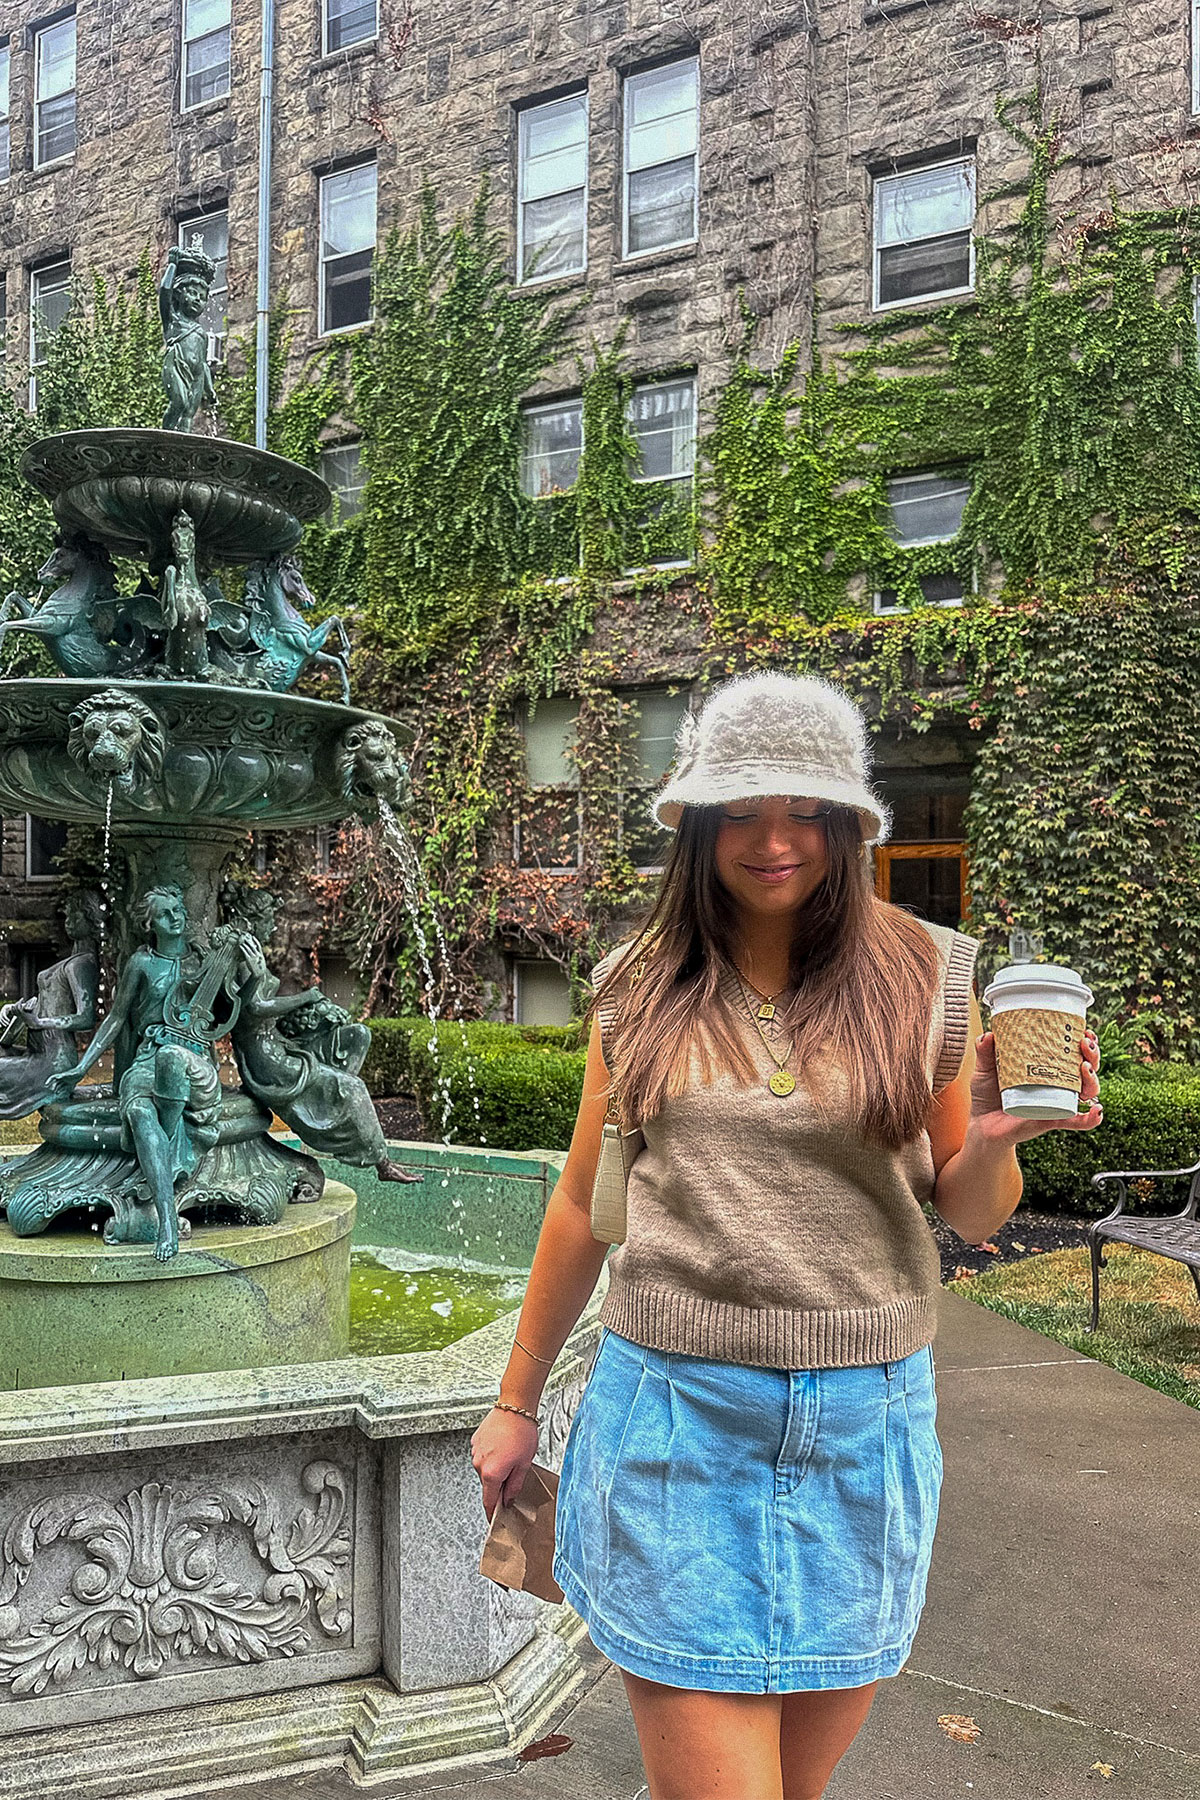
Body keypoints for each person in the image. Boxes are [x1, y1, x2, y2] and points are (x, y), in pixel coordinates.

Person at [470, 671, 1102, 1800]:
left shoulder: (928, 976)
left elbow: (965, 1209)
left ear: (848, 825)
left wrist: (1000, 1135)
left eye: (807, 811)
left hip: (865, 1433)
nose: (776, 840)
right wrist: (515, 1403)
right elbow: (584, 1202)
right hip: (674, 1424)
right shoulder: (638, 985)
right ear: (701, 822)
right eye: (745, 811)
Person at [49, 884, 230, 1261]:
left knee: (172, 1060)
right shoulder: (141, 964)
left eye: (178, 910)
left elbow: (239, 1005)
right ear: (151, 924)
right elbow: (116, 1019)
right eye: (165, 914)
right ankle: (166, 1219)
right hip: (147, 1062)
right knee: (138, 1110)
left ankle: (162, 1152)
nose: (175, 917)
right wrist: (82, 1067)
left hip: (193, 1061)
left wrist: (255, 969)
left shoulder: (203, 960)